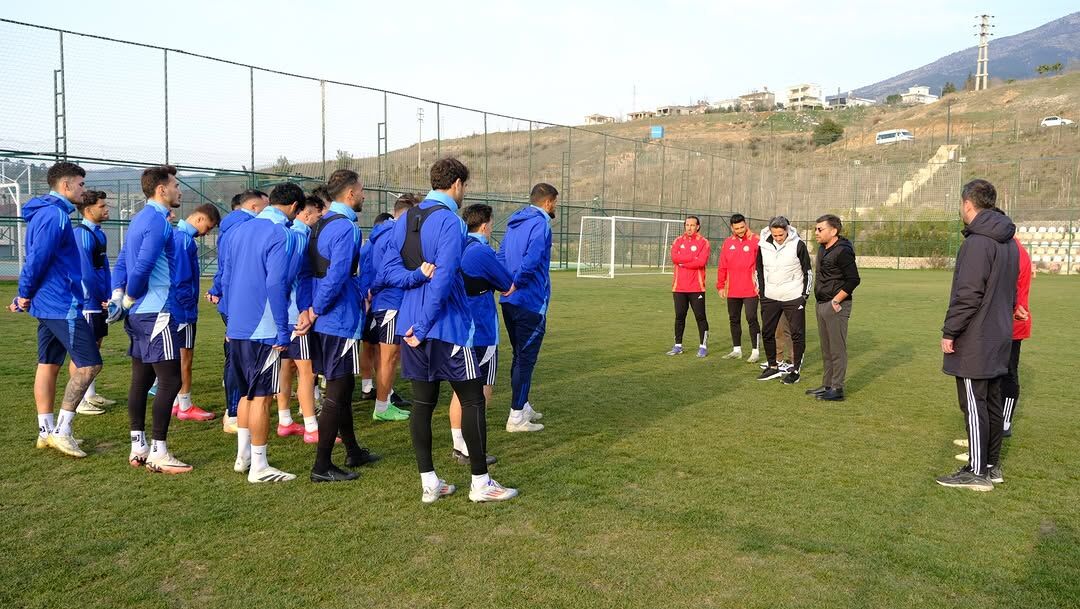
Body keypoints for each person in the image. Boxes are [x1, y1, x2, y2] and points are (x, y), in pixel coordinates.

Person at [382, 158, 517, 503]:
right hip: (445, 328)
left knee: (423, 404)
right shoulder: (450, 222)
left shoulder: (405, 218)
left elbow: (390, 271)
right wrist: (426, 321)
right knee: (472, 399)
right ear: (456, 184)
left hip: (411, 326)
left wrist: (414, 282)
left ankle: (430, 484)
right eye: (464, 186)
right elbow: (442, 278)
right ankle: (481, 484)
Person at [10, 162, 103, 458]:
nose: (83, 190)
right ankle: (62, 431)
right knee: (90, 365)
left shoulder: (48, 212)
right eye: (80, 185)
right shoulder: (55, 215)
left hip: (49, 303)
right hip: (60, 304)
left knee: (48, 365)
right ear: (65, 186)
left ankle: (45, 431)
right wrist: (24, 294)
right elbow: (38, 258)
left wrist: (28, 295)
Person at [936, 179, 1018, 492]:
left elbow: (968, 294)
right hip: (999, 333)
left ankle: (976, 469)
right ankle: (991, 465)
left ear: (968, 204)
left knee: (973, 402)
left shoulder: (978, 242)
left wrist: (950, 330)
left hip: (977, 337)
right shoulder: (1008, 241)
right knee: (992, 401)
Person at [224, 182, 305, 483]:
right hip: (264, 328)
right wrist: (282, 329)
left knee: (246, 393)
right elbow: (276, 283)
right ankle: (259, 466)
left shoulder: (238, 231)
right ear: (295, 208)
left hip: (239, 325)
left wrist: (231, 320)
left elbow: (227, 278)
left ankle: (243, 456)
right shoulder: (280, 233)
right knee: (261, 397)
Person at [111, 165, 189, 473]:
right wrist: (128, 297)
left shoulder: (139, 219)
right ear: (161, 190)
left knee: (141, 379)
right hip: (156, 310)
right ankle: (159, 452)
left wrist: (120, 296)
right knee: (171, 380)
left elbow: (121, 262)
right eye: (175, 185)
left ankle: (138, 445)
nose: (179, 190)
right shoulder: (157, 221)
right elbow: (141, 266)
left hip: (140, 313)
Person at [306, 169, 380, 483]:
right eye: (361, 191)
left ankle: (352, 449)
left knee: (344, 387)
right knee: (337, 390)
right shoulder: (346, 226)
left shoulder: (319, 223)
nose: (364, 196)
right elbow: (336, 275)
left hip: (327, 318)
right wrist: (317, 309)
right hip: (337, 319)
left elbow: (312, 272)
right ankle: (322, 465)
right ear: (350, 194)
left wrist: (310, 308)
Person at [954, 236, 1032, 460]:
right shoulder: (1007, 248)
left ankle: (1001, 427)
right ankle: (981, 439)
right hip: (1003, 321)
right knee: (991, 384)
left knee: (1003, 378)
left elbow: (1007, 288)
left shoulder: (1010, 250)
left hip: (1009, 323)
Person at [448, 204, 513, 466]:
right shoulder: (482, 251)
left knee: (460, 389)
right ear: (485, 225)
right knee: (482, 389)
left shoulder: (456, 246)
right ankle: (473, 448)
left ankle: (459, 444)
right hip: (482, 329)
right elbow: (508, 286)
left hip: (458, 328)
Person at [498, 182, 558, 433]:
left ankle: (522, 405)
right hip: (530, 301)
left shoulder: (514, 223)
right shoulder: (541, 223)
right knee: (525, 359)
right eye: (555, 202)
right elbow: (532, 259)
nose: (555, 207)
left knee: (519, 355)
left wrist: (503, 283)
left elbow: (500, 255)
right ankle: (516, 418)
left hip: (509, 301)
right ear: (547, 202)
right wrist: (517, 282)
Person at [206, 189, 268, 433]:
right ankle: (233, 412)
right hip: (239, 305)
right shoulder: (242, 229)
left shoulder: (232, 228)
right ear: (254, 207)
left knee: (238, 357)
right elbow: (230, 269)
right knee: (237, 359)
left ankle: (238, 409)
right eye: (266, 206)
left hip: (235, 303)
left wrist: (217, 288)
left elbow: (225, 268)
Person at [275, 194, 327, 443]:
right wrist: (305, 308)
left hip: (283, 315)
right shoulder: (301, 236)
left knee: (287, 366)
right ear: (306, 214)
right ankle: (311, 427)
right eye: (319, 214)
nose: (321, 218)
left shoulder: (287, 232)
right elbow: (298, 277)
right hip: (298, 316)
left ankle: (285, 420)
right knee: (307, 372)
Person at [366, 193, 420, 422]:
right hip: (391, 301)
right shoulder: (396, 236)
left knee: (382, 353)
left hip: (381, 301)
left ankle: (385, 397)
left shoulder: (378, 235)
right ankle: (382, 407)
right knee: (389, 355)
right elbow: (387, 272)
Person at [170, 204, 222, 421]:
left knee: (174, 358)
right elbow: (181, 279)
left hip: (174, 307)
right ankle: (185, 405)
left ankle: (175, 402)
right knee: (185, 358)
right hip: (181, 310)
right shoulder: (183, 240)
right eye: (208, 227)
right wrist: (188, 305)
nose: (206, 233)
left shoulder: (177, 236)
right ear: (200, 219)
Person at [71, 189, 115, 415]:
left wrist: (109, 293)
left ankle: (90, 394)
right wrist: (93, 298)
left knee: (95, 345)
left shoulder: (100, 233)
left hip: (99, 301)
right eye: (102, 206)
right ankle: (77, 401)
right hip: (88, 303)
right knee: (83, 352)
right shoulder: (81, 234)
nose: (106, 209)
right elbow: (85, 273)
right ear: (88, 210)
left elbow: (104, 268)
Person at [807, 214, 860, 402]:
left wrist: (836, 301)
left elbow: (854, 279)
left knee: (837, 349)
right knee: (826, 348)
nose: (816, 233)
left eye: (820, 229)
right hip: (821, 303)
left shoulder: (843, 251)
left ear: (833, 231)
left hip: (836, 306)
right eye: (815, 229)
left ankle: (837, 388)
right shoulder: (822, 249)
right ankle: (827, 384)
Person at [755, 216, 812, 385]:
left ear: (787, 231)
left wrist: (804, 296)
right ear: (770, 232)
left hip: (793, 296)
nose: (778, 238)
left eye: (781, 235)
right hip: (770, 297)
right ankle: (773, 367)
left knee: (797, 334)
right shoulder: (763, 245)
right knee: (767, 332)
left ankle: (795, 370)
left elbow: (808, 271)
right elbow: (758, 269)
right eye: (775, 235)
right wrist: (763, 293)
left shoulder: (798, 245)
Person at [716, 213, 761, 363]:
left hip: (751, 289)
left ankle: (755, 351)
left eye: (742, 227)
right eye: (737, 228)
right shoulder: (728, 243)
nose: (740, 230)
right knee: (734, 319)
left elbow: (763, 265)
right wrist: (721, 285)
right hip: (732, 289)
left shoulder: (756, 240)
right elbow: (722, 265)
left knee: (751, 318)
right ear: (732, 228)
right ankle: (737, 350)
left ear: (745, 224)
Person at [666, 216, 711, 357]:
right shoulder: (678, 241)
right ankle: (678, 345)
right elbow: (674, 258)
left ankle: (703, 346)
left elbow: (701, 262)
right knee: (679, 316)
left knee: (700, 316)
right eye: (687, 225)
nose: (689, 228)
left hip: (696, 287)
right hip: (679, 287)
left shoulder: (704, 242)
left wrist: (683, 262)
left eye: (692, 225)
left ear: (698, 226)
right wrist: (692, 258)